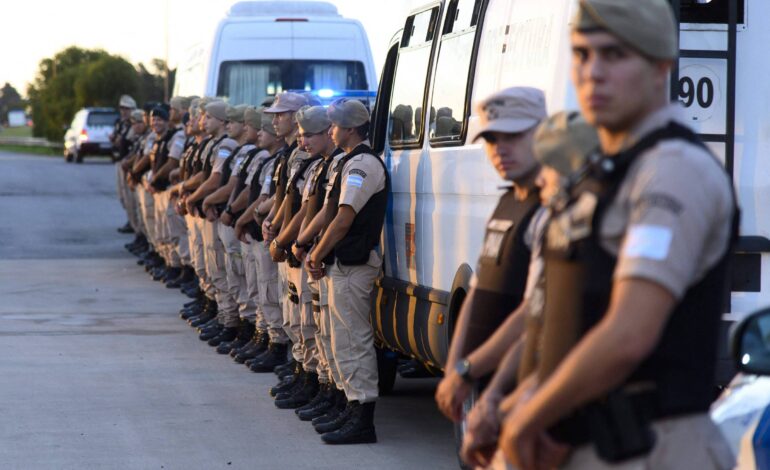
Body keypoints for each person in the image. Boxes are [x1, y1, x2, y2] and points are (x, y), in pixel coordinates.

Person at [498, 1, 736, 468]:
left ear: (661, 66)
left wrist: (528, 420)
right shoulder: (611, 171)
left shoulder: (671, 169)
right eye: (583, 55)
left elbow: (629, 333)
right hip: (589, 441)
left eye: (615, 55)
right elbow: (572, 317)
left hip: (649, 447)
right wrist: (512, 403)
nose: (594, 73)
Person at [460, 111, 598, 469]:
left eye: (547, 171)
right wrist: (497, 399)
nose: (542, 184)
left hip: (575, 421)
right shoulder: (555, 223)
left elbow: (586, 344)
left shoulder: (592, 237)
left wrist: (521, 408)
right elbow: (537, 323)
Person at [434, 87, 547, 429]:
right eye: (491, 138)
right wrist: (455, 369)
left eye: (513, 136)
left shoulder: (551, 209)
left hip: (526, 387)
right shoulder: (507, 202)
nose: (500, 149)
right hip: (487, 384)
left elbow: (533, 314)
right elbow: (479, 293)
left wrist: (468, 370)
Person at [307, 98, 386, 445]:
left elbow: (343, 218)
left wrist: (318, 251)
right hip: (343, 264)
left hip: (354, 266)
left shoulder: (362, 165)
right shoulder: (348, 163)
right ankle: (348, 406)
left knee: (353, 341)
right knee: (341, 340)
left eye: (334, 126)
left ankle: (362, 417)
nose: (330, 131)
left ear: (350, 129)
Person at [185, 101, 239, 342]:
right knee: (209, 264)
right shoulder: (212, 143)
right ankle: (216, 311)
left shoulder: (226, 145)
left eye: (208, 117)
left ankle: (229, 321)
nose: (202, 121)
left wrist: (196, 196)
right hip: (205, 211)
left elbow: (216, 180)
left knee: (220, 268)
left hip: (215, 213)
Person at [113, 94, 137, 233]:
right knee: (123, 196)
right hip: (120, 160)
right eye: (122, 108)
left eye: (127, 109)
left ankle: (135, 224)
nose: (124, 111)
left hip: (129, 163)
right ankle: (131, 220)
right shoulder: (121, 123)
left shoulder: (135, 124)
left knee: (130, 197)